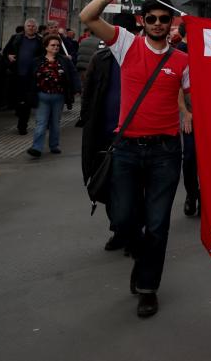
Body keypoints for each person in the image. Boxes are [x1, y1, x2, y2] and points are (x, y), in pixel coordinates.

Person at [79, 0, 190, 318]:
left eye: (164, 18)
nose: (158, 23)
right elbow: (87, 16)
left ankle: (147, 288)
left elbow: (182, 91)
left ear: (172, 23)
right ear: (142, 21)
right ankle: (143, 259)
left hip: (166, 152)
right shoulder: (125, 44)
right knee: (124, 220)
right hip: (127, 149)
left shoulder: (183, 60)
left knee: (157, 225)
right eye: (152, 18)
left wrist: (187, 111)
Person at [79, 13, 137, 250]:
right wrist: (86, 120)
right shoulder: (100, 59)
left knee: (135, 187)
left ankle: (132, 231)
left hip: (135, 136)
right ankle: (119, 230)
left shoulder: (141, 58)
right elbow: (89, 93)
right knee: (112, 185)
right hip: (105, 135)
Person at [25, 35, 77, 158]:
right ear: (46, 46)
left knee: (55, 123)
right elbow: (29, 78)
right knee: (41, 123)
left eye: (58, 45)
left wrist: (77, 88)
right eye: (53, 45)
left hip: (58, 96)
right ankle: (36, 148)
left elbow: (73, 74)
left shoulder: (64, 60)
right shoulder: (37, 61)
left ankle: (54, 145)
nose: (56, 47)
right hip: (42, 96)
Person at [175, 22, 200, 218]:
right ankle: (192, 195)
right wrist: (185, 112)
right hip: (191, 116)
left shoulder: (208, 52)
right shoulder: (180, 54)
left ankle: (206, 197)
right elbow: (177, 87)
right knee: (190, 157)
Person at [2, 18, 43, 135]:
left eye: (33, 26)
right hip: (17, 74)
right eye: (29, 26)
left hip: (32, 76)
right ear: (25, 27)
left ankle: (22, 125)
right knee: (18, 100)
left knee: (27, 102)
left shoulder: (40, 40)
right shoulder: (16, 38)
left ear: (36, 28)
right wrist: (9, 57)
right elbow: (5, 52)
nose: (31, 28)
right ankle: (20, 114)